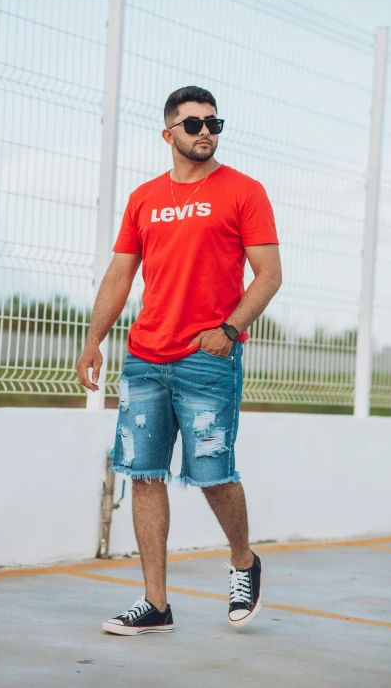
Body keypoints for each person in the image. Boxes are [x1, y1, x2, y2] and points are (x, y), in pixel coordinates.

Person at [77, 86, 282, 636]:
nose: (206, 133)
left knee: (214, 475)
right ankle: (156, 604)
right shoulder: (145, 198)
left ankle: (243, 561)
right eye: (193, 125)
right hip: (144, 358)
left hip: (207, 359)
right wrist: (94, 339)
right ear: (169, 134)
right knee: (144, 475)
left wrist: (230, 330)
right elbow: (121, 275)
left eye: (214, 123)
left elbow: (269, 275)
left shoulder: (244, 191)